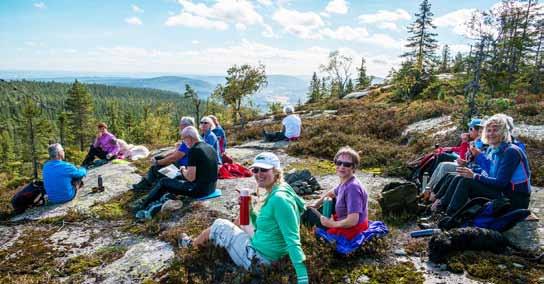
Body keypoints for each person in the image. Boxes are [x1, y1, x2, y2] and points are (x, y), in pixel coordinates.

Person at [179, 152, 309, 284]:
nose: (258, 174)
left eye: (264, 169)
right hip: (268, 247)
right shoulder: (281, 188)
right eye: (255, 170)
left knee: (219, 224)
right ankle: (211, 241)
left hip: (260, 259)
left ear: (276, 171)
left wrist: (303, 279)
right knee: (238, 219)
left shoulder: (279, 199)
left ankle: (191, 245)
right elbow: (261, 224)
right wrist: (249, 209)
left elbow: (293, 240)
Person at [442, 114, 531, 216]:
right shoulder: (493, 149)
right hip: (503, 192)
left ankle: (450, 217)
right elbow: (490, 172)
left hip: (515, 199)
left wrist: (474, 176)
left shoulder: (511, 151)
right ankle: (441, 207)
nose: (491, 134)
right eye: (488, 130)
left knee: (466, 182)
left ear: (503, 133)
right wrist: (470, 170)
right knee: (459, 177)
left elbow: (501, 183)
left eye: (495, 130)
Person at [136, 126, 218, 210]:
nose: (183, 142)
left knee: (163, 182)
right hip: (212, 187)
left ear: (189, 138)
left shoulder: (194, 150)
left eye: (183, 139)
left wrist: (182, 169)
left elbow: (190, 178)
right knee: (176, 176)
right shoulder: (209, 147)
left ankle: (143, 205)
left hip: (199, 190)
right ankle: (158, 198)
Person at [303, 146, 369, 240]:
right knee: (330, 201)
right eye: (339, 163)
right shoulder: (346, 181)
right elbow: (332, 192)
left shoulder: (352, 188)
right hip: (347, 224)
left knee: (308, 212)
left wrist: (332, 224)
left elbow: (353, 221)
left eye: (347, 164)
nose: (342, 167)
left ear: (353, 167)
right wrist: (316, 204)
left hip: (351, 231)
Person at [132, 117, 194, 191]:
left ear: (187, 126)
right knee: (159, 160)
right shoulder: (192, 138)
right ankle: (149, 181)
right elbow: (176, 153)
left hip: (183, 170)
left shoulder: (188, 140)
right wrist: (162, 157)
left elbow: (174, 158)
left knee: (155, 168)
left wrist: (158, 162)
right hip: (183, 167)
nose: (180, 127)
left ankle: (146, 185)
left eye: (181, 125)